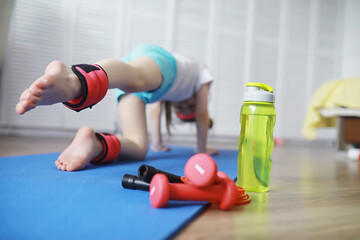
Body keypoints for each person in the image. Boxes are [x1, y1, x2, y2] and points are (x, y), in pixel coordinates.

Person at [15, 44, 218, 171]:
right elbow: (202, 114)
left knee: (138, 148)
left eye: (184, 109)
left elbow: (155, 110)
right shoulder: (202, 75)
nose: (187, 104)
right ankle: (73, 80)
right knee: (136, 77)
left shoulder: (163, 91)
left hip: (135, 78)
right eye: (190, 103)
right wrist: (201, 150)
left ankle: (94, 144)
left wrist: (156, 144)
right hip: (160, 61)